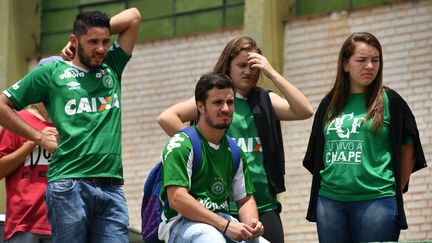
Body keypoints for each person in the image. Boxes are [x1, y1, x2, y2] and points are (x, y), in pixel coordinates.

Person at [0, 8, 141, 242]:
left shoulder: (112, 66)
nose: (101, 49)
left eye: (105, 41)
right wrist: (38, 137)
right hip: (69, 185)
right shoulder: (52, 72)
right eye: (92, 41)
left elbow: (134, 16)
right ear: (76, 41)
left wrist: (94, 34)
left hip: (112, 187)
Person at [158, 36, 313, 242]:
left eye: (253, 66)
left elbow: (305, 110)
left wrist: (272, 72)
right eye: (241, 65)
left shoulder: (264, 100)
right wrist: (204, 147)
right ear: (227, 65)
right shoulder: (213, 98)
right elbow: (167, 117)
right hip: (219, 203)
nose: (248, 71)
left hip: (261, 202)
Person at [302, 32, 427, 243]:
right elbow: (316, 153)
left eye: (375, 60)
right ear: (345, 64)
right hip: (329, 203)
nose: (369, 66)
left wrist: (393, 189)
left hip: (376, 202)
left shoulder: (391, 101)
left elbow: (410, 148)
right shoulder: (329, 103)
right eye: (361, 60)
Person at [158, 73, 269, 243]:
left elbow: (245, 199)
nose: (226, 109)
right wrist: (225, 226)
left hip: (221, 220)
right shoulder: (181, 144)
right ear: (200, 107)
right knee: (212, 238)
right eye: (218, 103)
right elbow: (177, 198)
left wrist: (252, 224)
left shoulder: (234, 149)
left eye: (230, 102)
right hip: (182, 223)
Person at [0, 56, 63, 243]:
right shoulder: (16, 121)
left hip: (64, 225)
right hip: (24, 225)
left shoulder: (70, 123)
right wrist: (35, 141)